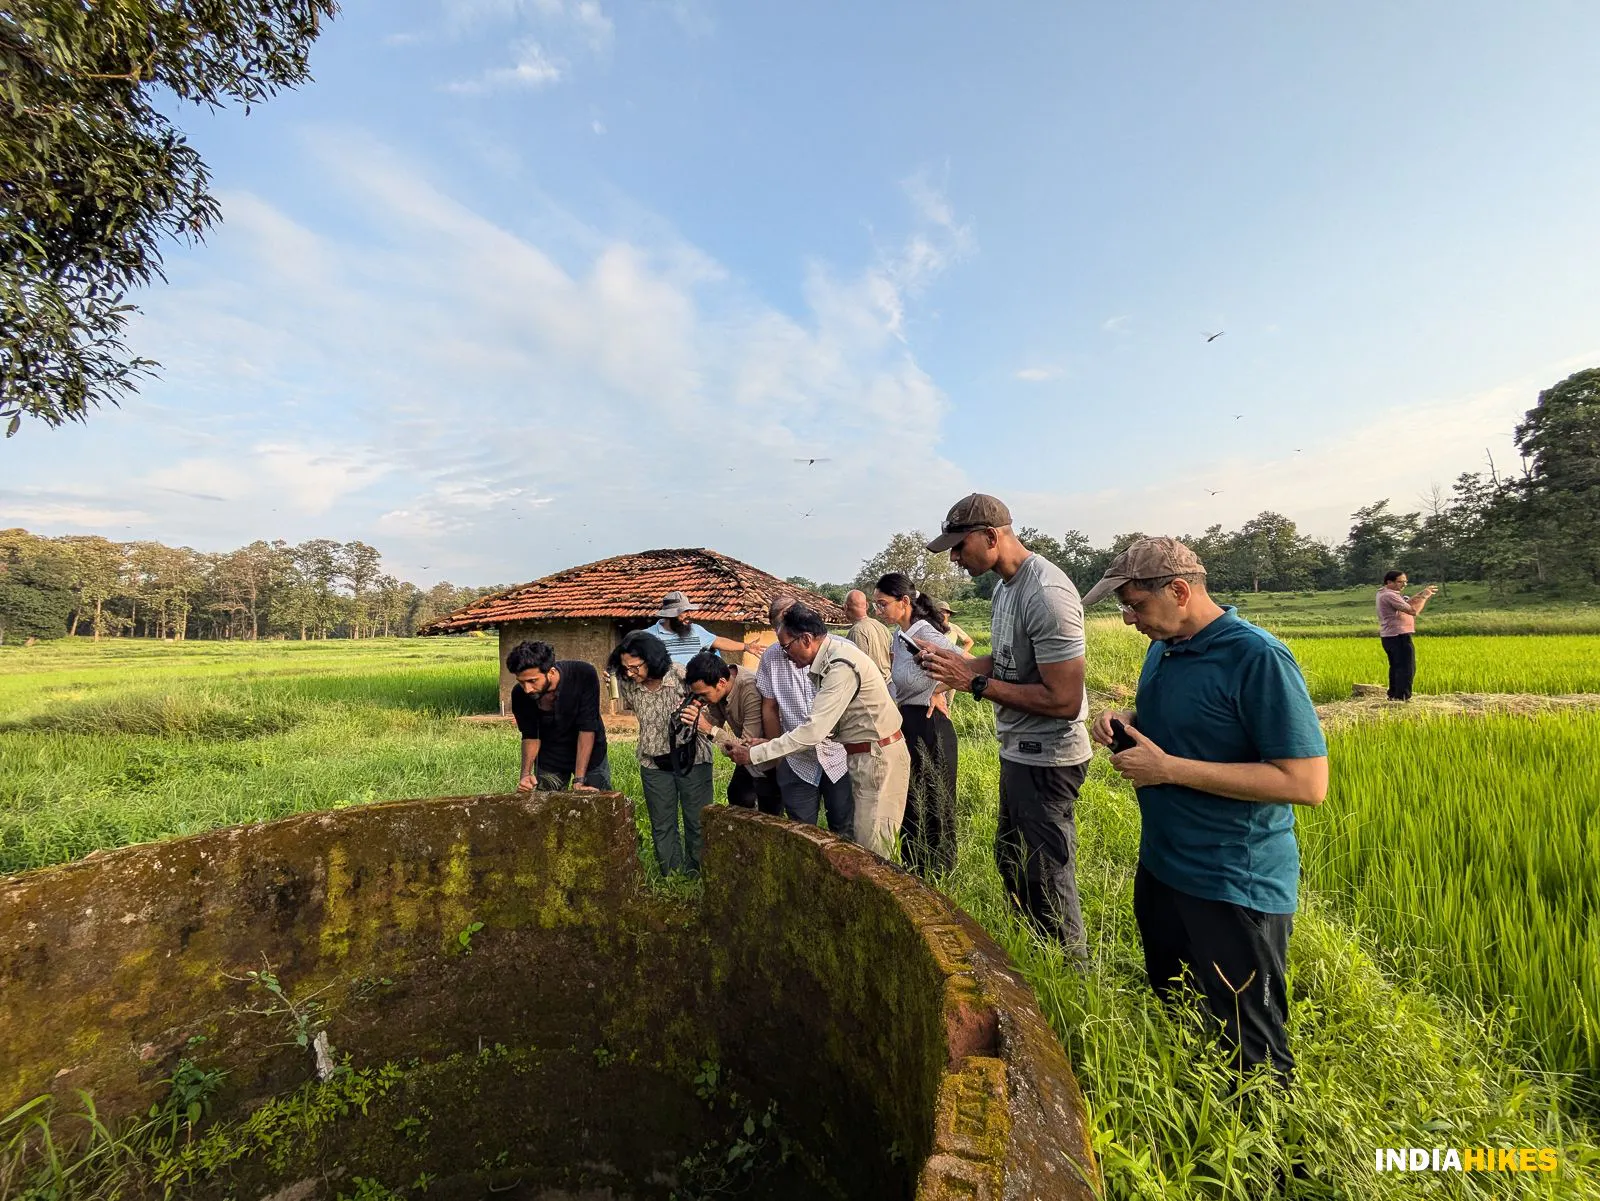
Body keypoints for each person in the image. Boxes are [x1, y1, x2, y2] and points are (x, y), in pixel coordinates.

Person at [1082, 537, 1328, 1085]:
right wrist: (1126, 720)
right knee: (1179, 1008)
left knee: (1250, 1045)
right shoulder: (1163, 647)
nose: (1128, 619)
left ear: (1179, 590)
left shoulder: (1257, 657)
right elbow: (1184, 720)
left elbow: (1306, 782)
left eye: (1134, 605)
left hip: (1231, 880)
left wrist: (1169, 769)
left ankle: (1264, 1136)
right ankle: (1194, 1107)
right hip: (1164, 868)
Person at [918, 494, 1091, 956]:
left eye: (959, 546)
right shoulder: (1005, 589)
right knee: (1014, 864)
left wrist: (973, 684)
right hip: (1019, 750)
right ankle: (1031, 963)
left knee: (1047, 876)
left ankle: (1069, 973)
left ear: (991, 537)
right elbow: (1007, 660)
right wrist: (959, 664)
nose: (954, 558)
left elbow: (1064, 699)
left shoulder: (1046, 594)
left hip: (1049, 759)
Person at [731, 604, 908, 859]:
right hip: (863, 754)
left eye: (786, 647)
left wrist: (756, 754)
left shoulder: (840, 666)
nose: (785, 655)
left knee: (873, 849)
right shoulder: (829, 659)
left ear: (805, 639)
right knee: (863, 840)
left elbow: (813, 732)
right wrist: (769, 744)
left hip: (876, 757)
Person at [873, 573, 959, 876]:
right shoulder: (900, 635)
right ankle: (915, 868)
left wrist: (938, 689)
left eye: (883, 604)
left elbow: (965, 663)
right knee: (911, 798)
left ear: (904, 601)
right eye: (876, 605)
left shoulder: (924, 632)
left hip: (930, 724)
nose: (878, 611)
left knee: (935, 800)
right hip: (908, 723)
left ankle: (940, 872)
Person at [607, 630, 712, 876]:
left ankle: (698, 871)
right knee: (662, 823)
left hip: (692, 759)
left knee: (697, 820)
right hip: (653, 763)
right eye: (625, 668)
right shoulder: (627, 684)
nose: (630, 673)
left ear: (652, 659)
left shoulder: (680, 675)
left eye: (635, 667)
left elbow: (708, 704)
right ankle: (671, 873)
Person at [755, 596, 854, 837]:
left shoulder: (841, 650)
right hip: (796, 759)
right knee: (801, 833)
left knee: (843, 829)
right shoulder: (771, 657)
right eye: (782, 625)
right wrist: (778, 755)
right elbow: (769, 707)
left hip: (840, 755)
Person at [682, 650, 783, 815]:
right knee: (738, 796)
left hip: (768, 755)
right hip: (749, 758)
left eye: (703, 694)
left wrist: (708, 728)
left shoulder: (750, 689)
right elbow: (712, 721)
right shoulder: (718, 684)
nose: (702, 698)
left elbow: (746, 747)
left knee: (769, 809)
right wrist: (693, 716)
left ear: (721, 683)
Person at [507, 640, 610, 792]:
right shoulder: (519, 694)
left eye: (532, 681)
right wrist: (525, 775)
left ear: (551, 672)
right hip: (550, 757)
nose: (527, 689)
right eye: (521, 682)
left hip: (590, 753)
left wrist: (579, 780)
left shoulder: (583, 674)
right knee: (546, 804)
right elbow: (530, 735)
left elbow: (587, 727)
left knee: (597, 802)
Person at [644, 592, 761, 665]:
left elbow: (718, 641)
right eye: (684, 612)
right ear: (670, 615)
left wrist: (745, 647)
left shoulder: (695, 630)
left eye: (689, 611)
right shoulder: (648, 637)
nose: (689, 615)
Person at [1376, 570, 1436, 702]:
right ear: (1389, 582)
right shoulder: (1389, 595)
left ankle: (1394, 695)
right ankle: (1402, 697)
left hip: (1390, 636)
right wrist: (1424, 597)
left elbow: (1406, 604)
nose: (1404, 584)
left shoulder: (1384, 593)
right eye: (1400, 582)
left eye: (1405, 582)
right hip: (1398, 635)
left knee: (1397, 667)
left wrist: (1420, 594)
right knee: (1406, 667)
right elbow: (1413, 610)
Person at [843, 589, 892, 681]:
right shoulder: (882, 627)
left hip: (871, 686)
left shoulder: (856, 631)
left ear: (845, 607)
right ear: (867, 605)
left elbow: (857, 667)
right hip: (889, 682)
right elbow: (892, 656)